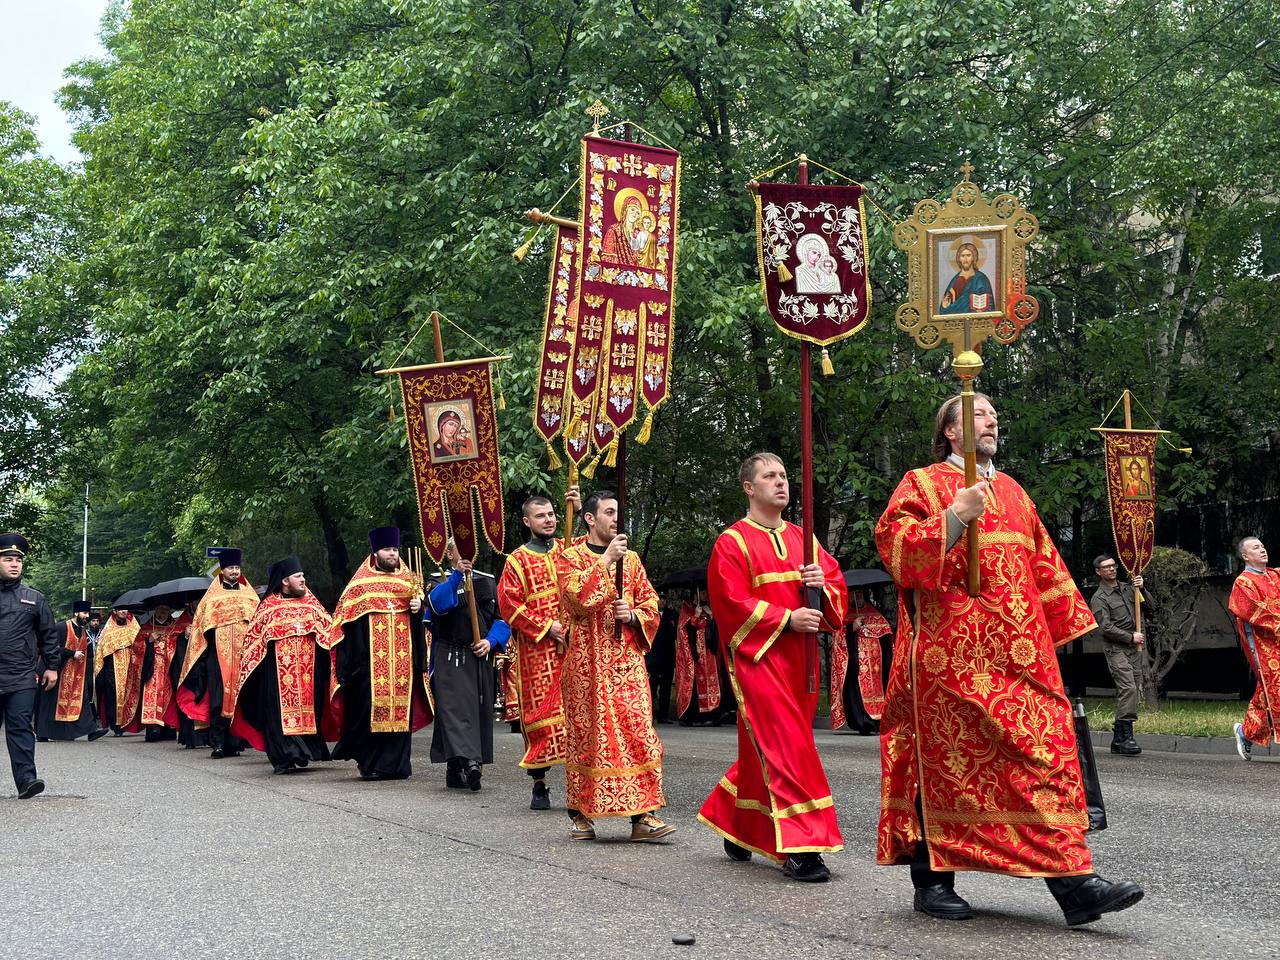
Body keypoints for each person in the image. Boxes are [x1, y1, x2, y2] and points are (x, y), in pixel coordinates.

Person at [875, 394, 1143, 926]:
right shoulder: (922, 484)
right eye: (978, 413)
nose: (992, 419)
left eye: (994, 412)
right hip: (948, 660)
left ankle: (1074, 883)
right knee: (946, 763)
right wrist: (955, 516)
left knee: (1043, 757)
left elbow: (1046, 571)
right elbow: (899, 553)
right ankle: (932, 882)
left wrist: (1059, 646)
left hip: (1022, 659)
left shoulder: (1016, 492)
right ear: (949, 431)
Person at [699, 453, 848, 882]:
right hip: (759, 658)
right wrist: (786, 618)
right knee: (787, 747)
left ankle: (737, 819)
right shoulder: (733, 541)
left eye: (784, 475)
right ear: (750, 487)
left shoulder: (804, 538)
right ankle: (802, 848)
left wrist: (823, 588)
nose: (781, 483)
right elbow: (730, 604)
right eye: (770, 477)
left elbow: (835, 590)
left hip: (801, 661)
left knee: (774, 746)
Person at [556, 490, 674, 843]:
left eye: (618, 513)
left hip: (626, 663)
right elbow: (576, 602)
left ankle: (643, 816)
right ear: (590, 518)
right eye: (609, 512)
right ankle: (580, 814)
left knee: (638, 730)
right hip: (586, 665)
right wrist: (605, 560)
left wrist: (635, 615)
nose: (615, 519)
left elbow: (652, 602)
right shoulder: (570, 557)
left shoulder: (633, 560)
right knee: (589, 736)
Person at [496, 489, 581, 810]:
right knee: (540, 717)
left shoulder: (568, 548)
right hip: (536, 652)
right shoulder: (516, 561)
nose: (549, 520)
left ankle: (578, 782)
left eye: (552, 514)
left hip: (572, 647)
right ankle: (540, 783)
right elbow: (509, 607)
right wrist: (548, 627)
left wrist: (577, 503)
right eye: (541, 516)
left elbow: (590, 561)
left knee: (576, 715)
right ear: (527, 521)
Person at [330, 527, 431, 780]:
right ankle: (371, 764)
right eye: (387, 550)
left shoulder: (409, 582)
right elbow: (345, 624)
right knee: (367, 712)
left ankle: (397, 766)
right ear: (376, 553)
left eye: (395, 550)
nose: (393, 554)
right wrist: (353, 664)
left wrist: (419, 607)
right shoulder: (360, 585)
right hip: (368, 665)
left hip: (403, 664)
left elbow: (421, 626)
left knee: (401, 713)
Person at [231, 556, 336, 774]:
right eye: (298, 576)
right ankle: (285, 756)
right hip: (277, 676)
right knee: (277, 714)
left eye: (303, 575)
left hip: (309, 674)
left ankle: (308, 750)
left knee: (312, 709)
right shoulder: (268, 607)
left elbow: (331, 633)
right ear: (285, 581)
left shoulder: (311, 603)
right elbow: (252, 643)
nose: (303, 580)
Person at [426, 541, 509, 791]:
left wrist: (491, 641)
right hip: (449, 654)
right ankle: (471, 763)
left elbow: (501, 619)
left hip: (479, 655)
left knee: (477, 710)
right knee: (454, 711)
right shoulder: (436, 579)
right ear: (450, 554)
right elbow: (439, 605)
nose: (465, 555)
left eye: (469, 550)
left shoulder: (487, 580)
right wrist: (457, 578)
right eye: (460, 551)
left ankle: (456, 766)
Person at [177, 549, 259, 758]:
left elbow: (258, 623)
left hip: (242, 656)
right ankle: (218, 743)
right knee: (218, 700)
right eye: (231, 568)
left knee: (240, 699)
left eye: (237, 568)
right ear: (222, 571)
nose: (234, 571)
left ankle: (235, 742)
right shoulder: (212, 598)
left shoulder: (249, 596)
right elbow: (200, 625)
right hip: (217, 656)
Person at [0, 533, 60, 798]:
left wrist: (51, 667)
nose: (14, 564)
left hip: (21, 676)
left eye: (18, 560)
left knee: (21, 727)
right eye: (7, 559)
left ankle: (27, 780)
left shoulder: (34, 598)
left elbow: (49, 635)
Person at [1090, 555, 1147, 756]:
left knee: (1132, 688)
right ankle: (1126, 737)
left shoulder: (1128, 588)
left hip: (1134, 647)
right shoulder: (1099, 598)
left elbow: (1149, 607)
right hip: (1117, 649)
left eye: (1113, 566)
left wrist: (1142, 587)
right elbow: (1104, 627)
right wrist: (1130, 637)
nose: (1112, 569)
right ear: (1099, 572)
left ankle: (1118, 738)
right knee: (1128, 688)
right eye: (1106, 567)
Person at [1229, 537, 1279, 761]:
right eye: (1256, 547)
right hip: (1264, 646)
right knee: (1274, 689)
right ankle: (1246, 734)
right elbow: (1250, 610)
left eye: (1263, 545)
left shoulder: (1276, 575)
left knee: (1268, 694)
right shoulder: (1243, 582)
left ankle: (1245, 733)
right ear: (1245, 556)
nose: (1262, 549)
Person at [35, 599, 107, 742]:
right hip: (56, 670)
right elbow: (50, 647)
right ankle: (42, 733)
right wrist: (71, 653)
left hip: (76, 675)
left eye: (88, 613)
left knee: (82, 702)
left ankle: (91, 731)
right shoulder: (61, 627)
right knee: (50, 704)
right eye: (84, 613)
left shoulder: (83, 630)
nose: (87, 616)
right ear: (76, 613)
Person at [831, 589, 892, 735]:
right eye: (853, 594)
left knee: (880, 691)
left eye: (859, 593)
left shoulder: (875, 614)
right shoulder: (845, 616)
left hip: (876, 668)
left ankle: (877, 722)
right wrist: (851, 628)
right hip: (855, 666)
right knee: (855, 691)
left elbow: (886, 636)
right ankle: (863, 722)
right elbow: (838, 637)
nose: (857, 597)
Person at [675, 588, 731, 725]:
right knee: (696, 683)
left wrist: (711, 617)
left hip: (709, 653)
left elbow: (713, 631)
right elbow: (684, 630)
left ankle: (712, 714)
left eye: (706, 592)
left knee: (712, 681)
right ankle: (694, 716)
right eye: (703, 592)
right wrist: (695, 616)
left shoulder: (707, 609)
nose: (705, 594)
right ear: (696, 594)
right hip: (695, 653)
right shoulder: (687, 609)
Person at [137, 601, 191, 742]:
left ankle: (169, 728)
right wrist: (149, 640)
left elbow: (180, 644)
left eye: (166, 609)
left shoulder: (175, 626)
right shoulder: (147, 627)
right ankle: (153, 729)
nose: (163, 612)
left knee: (169, 697)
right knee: (152, 697)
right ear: (156, 610)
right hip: (153, 667)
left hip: (169, 667)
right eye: (160, 609)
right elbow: (136, 647)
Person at [95, 599, 144, 736]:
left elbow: (141, 645)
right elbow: (101, 650)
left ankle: (129, 722)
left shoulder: (134, 626)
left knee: (131, 695)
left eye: (125, 609)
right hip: (112, 670)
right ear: (115, 612)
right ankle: (116, 726)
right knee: (114, 698)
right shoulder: (108, 629)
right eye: (120, 609)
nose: (124, 611)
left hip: (131, 667)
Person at [938, 241, 995, 314]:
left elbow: (990, 306)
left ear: (973, 257)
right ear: (959, 259)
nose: (965, 259)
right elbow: (944, 309)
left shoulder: (981, 279)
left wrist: (982, 311)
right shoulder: (956, 280)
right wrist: (944, 307)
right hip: (957, 322)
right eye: (962, 256)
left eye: (968, 255)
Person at [647, 594, 678, 724]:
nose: (662, 601)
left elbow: (677, 632)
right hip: (653, 657)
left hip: (668, 656)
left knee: (666, 687)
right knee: (652, 686)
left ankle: (663, 715)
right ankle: (650, 714)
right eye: (660, 598)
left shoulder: (672, 614)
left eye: (665, 599)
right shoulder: (650, 614)